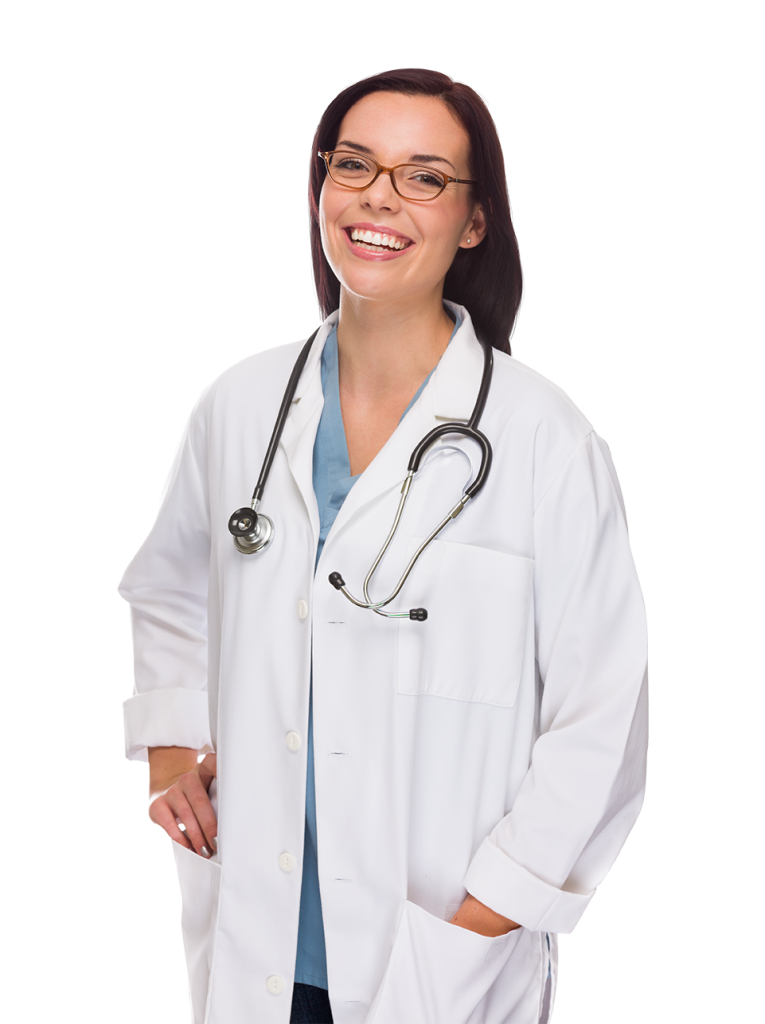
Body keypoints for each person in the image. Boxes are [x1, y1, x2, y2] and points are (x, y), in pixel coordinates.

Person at [118, 68, 648, 1024]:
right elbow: (169, 587)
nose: (378, 197)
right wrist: (166, 745)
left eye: (424, 177)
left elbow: (601, 716)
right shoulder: (237, 406)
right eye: (354, 164)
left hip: (438, 950)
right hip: (258, 935)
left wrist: (492, 914)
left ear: (474, 220)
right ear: (321, 184)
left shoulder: (542, 438)